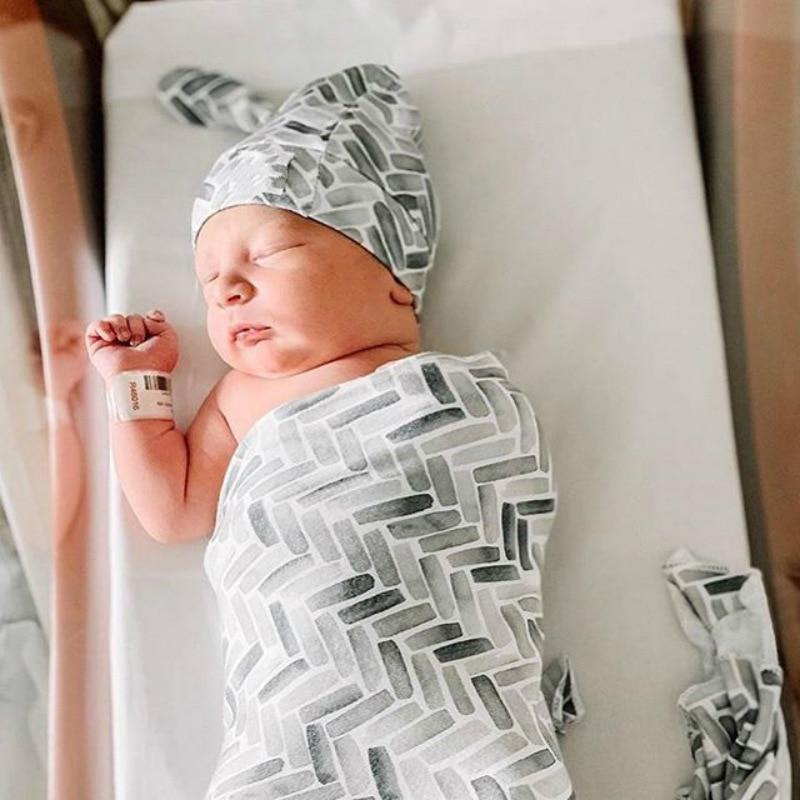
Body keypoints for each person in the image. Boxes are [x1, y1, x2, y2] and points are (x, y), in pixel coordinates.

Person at [85, 62, 578, 800]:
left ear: (393, 279)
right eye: (209, 280)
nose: (228, 289)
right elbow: (172, 512)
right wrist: (136, 384)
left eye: (269, 254)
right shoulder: (241, 398)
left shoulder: (457, 401)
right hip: (303, 691)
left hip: (449, 686)